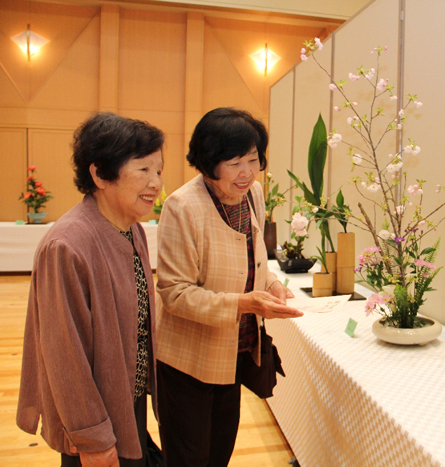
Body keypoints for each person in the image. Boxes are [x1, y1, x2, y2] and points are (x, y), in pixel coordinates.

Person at [155, 107, 302, 467]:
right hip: (187, 361)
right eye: (234, 162)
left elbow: (256, 260)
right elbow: (174, 293)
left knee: (219, 453)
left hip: (233, 355)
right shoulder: (182, 207)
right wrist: (244, 303)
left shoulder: (254, 194)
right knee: (189, 458)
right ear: (208, 163)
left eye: (253, 159)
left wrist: (271, 285)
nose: (247, 172)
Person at [16, 112, 165, 466]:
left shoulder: (133, 230)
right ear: (99, 174)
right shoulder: (67, 245)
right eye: (143, 169)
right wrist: (93, 441)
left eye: (159, 170)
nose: (156, 183)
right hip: (91, 418)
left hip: (127, 401)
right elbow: (65, 357)